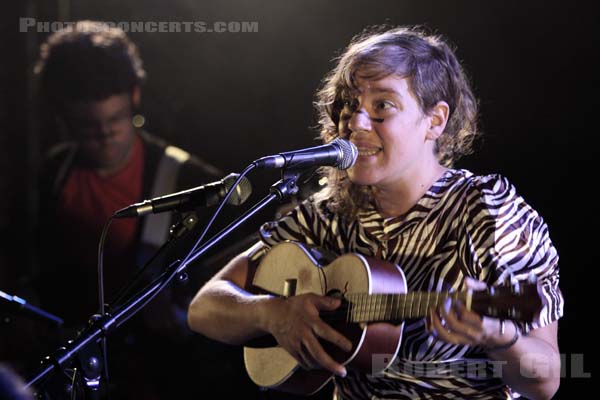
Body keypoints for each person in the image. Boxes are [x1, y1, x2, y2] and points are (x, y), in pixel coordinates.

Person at [187, 26, 563, 399]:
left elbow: (545, 380)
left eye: (382, 105)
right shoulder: (328, 215)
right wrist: (273, 313)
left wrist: (500, 337)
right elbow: (204, 308)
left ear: (435, 120)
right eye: (349, 105)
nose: (355, 123)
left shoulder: (489, 213)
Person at [33, 20, 223, 399]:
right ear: (62, 116)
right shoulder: (53, 172)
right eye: (87, 126)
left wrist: (182, 316)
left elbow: (223, 285)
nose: (104, 135)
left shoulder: (189, 181)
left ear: (135, 97)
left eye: (115, 121)